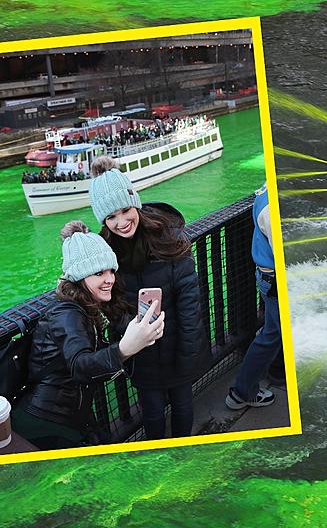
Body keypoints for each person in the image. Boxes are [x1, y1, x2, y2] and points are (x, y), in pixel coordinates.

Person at [12, 221, 164, 451]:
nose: (110, 279)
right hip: (46, 422)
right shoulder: (67, 313)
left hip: (69, 416)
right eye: (98, 273)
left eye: (111, 270)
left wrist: (141, 335)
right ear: (80, 276)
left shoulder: (88, 303)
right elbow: (80, 365)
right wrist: (125, 348)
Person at [89, 168, 210, 439]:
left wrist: (188, 353)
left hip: (178, 343)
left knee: (182, 403)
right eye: (110, 216)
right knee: (152, 412)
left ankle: (181, 452)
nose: (121, 222)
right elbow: (111, 303)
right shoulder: (105, 252)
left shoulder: (168, 236)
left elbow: (190, 301)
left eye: (124, 210)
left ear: (135, 202)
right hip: (141, 350)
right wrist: (132, 331)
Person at [226, 183, 280, 409]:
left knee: (272, 333)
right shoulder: (270, 206)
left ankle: (252, 385)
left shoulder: (265, 192)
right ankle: (242, 392)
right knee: (271, 335)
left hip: (268, 276)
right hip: (274, 280)